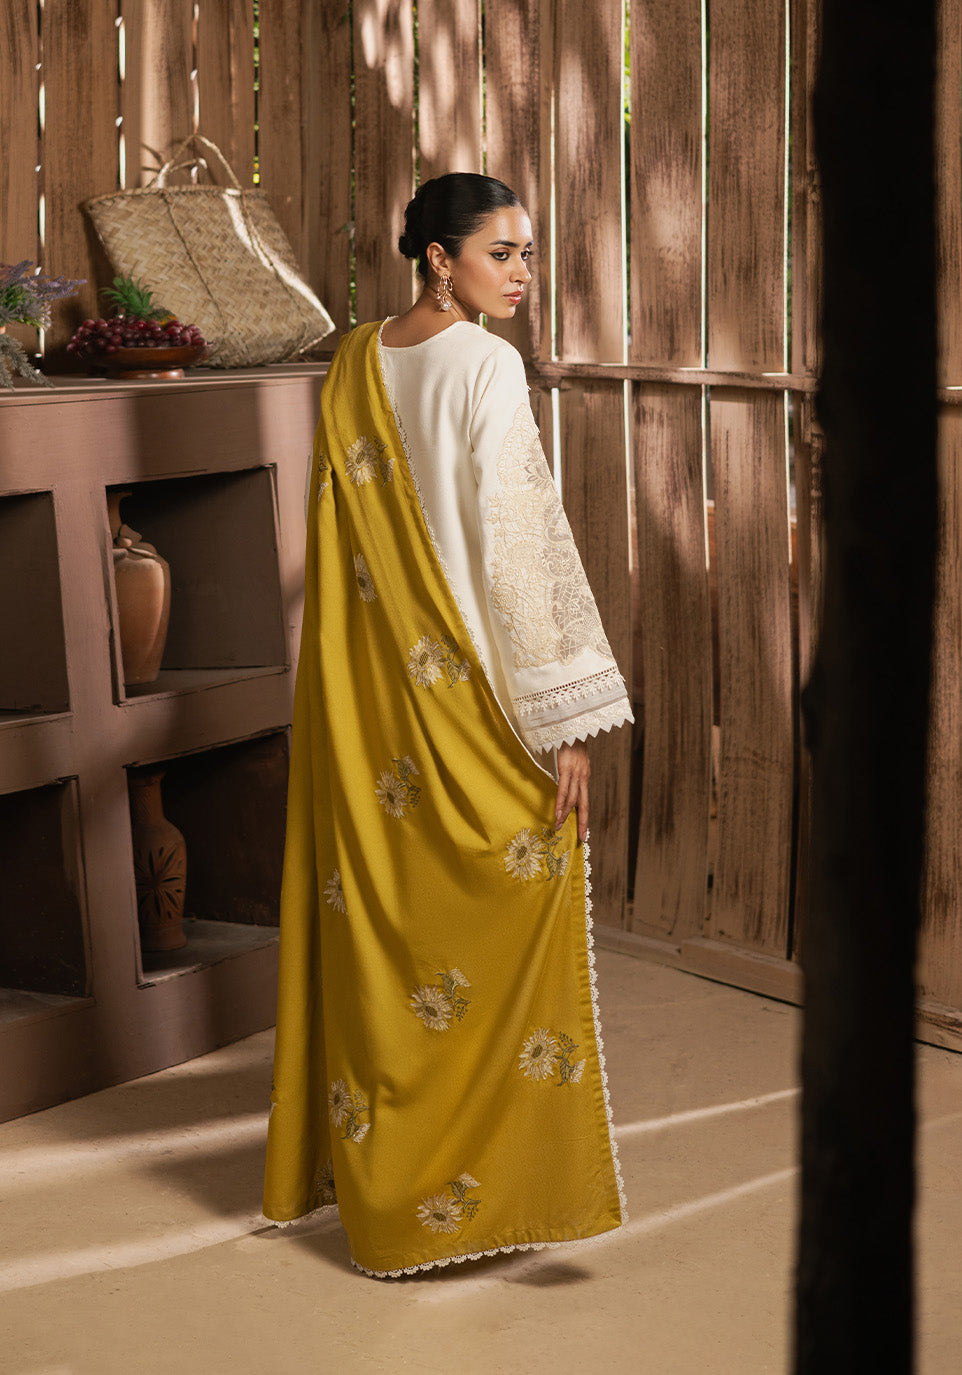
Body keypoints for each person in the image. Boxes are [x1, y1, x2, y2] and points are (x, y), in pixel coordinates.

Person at [262, 173, 633, 1277]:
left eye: (526, 253)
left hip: (366, 701)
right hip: (467, 693)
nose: (521, 274)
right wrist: (565, 723)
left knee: (389, 937)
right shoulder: (482, 363)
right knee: (500, 921)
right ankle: (485, 1196)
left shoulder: (353, 360)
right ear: (439, 257)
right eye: (500, 253)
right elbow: (517, 542)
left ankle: (386, 1197)